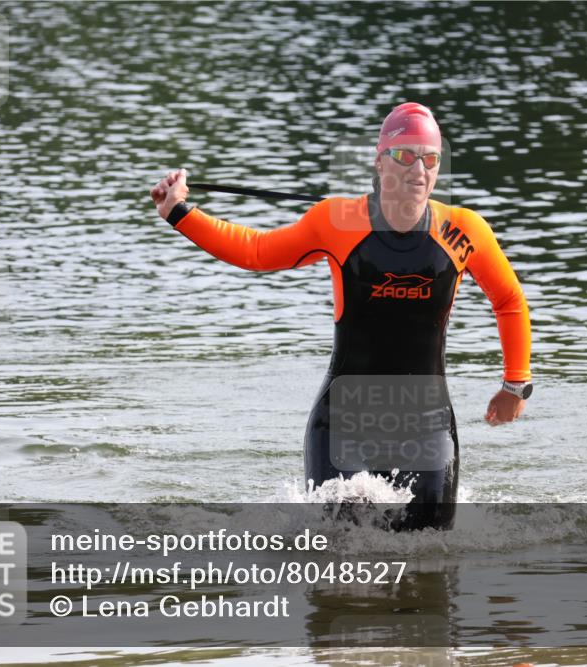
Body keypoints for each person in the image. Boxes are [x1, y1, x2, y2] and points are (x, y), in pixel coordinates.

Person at [150, 102, 532, 530]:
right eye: (405, 155)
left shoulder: (464, 230)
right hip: (344, 421)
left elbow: (509, 300)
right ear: (380, 159)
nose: (418, 169)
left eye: (430, 158)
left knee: (431, 563)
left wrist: (515, 384)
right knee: (340, 555)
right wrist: (179, 212)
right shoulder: (336, 222)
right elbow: (257, 252)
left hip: (427, 424)